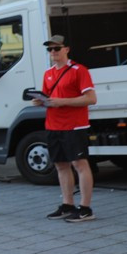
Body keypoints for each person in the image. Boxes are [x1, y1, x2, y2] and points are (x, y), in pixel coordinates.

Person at [33, 35, 98, 222]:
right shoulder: (48, 73)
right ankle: (68, 204)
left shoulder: (79, 70)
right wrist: (40, 101)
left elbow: (91, 99)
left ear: (66, 49)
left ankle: (86, 208)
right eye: (50, 49)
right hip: (53, 124)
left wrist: (62, 102)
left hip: (74, 125)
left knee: (80, 164)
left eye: (56, 48)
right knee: (60, 165)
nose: (53, 52)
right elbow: (50, 99)